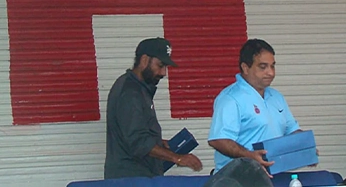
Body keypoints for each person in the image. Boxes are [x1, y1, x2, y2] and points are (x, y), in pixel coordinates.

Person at [104, 37, 203, 179]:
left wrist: (157, 142)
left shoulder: (137, 88)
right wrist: (177, 158)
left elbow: (131, 131)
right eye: (160, 65)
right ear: (144, 60)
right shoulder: (130, 93)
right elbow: (138, 141)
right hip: (131, 179)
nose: (163, 73)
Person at [208, 38, 302, 173]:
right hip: (237, 178)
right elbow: (218, 140)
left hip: (275, 174)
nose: (271, 72)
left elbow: (291, 130)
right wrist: (250, 156)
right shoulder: (230, 98)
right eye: (263, 67)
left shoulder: (276, 96)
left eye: (273, 66)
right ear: (245, 68)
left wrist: (305, 146)